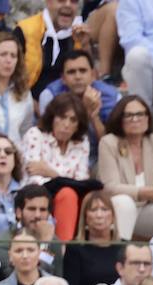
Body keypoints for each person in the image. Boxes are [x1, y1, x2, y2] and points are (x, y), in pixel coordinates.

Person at [98, 95, 153, 242]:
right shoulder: (108, 143)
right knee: (124, 202)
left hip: (147, 210)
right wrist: (146, 192)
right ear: (119, 119)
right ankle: (120, 254)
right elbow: (110, 188)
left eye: (140, 114)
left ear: (148, 117)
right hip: (117, 210)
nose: (135, 119)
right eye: (129, 115)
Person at [21, 92, 95, 243]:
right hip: (38, 195)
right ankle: (63, 248)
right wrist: (66, 180)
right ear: (52, 117)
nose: (66, 124)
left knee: (84, 196)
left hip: (71, 197)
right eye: (62, 117)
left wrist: (51, 173)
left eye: (73, 120)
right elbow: (34, 177)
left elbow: (82, 182)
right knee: (68, 193)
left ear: (78, 125)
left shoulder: (81, 142)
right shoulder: (36, 135)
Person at [35, 49, 118, 145]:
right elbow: (50, 140)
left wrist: (94, 116)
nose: (78, 77)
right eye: (71, 72)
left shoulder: (111, 95)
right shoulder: (49, 95)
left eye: (83, 71)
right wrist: (84, 109)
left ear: (93, 75)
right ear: (63, 78)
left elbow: (111, 146)